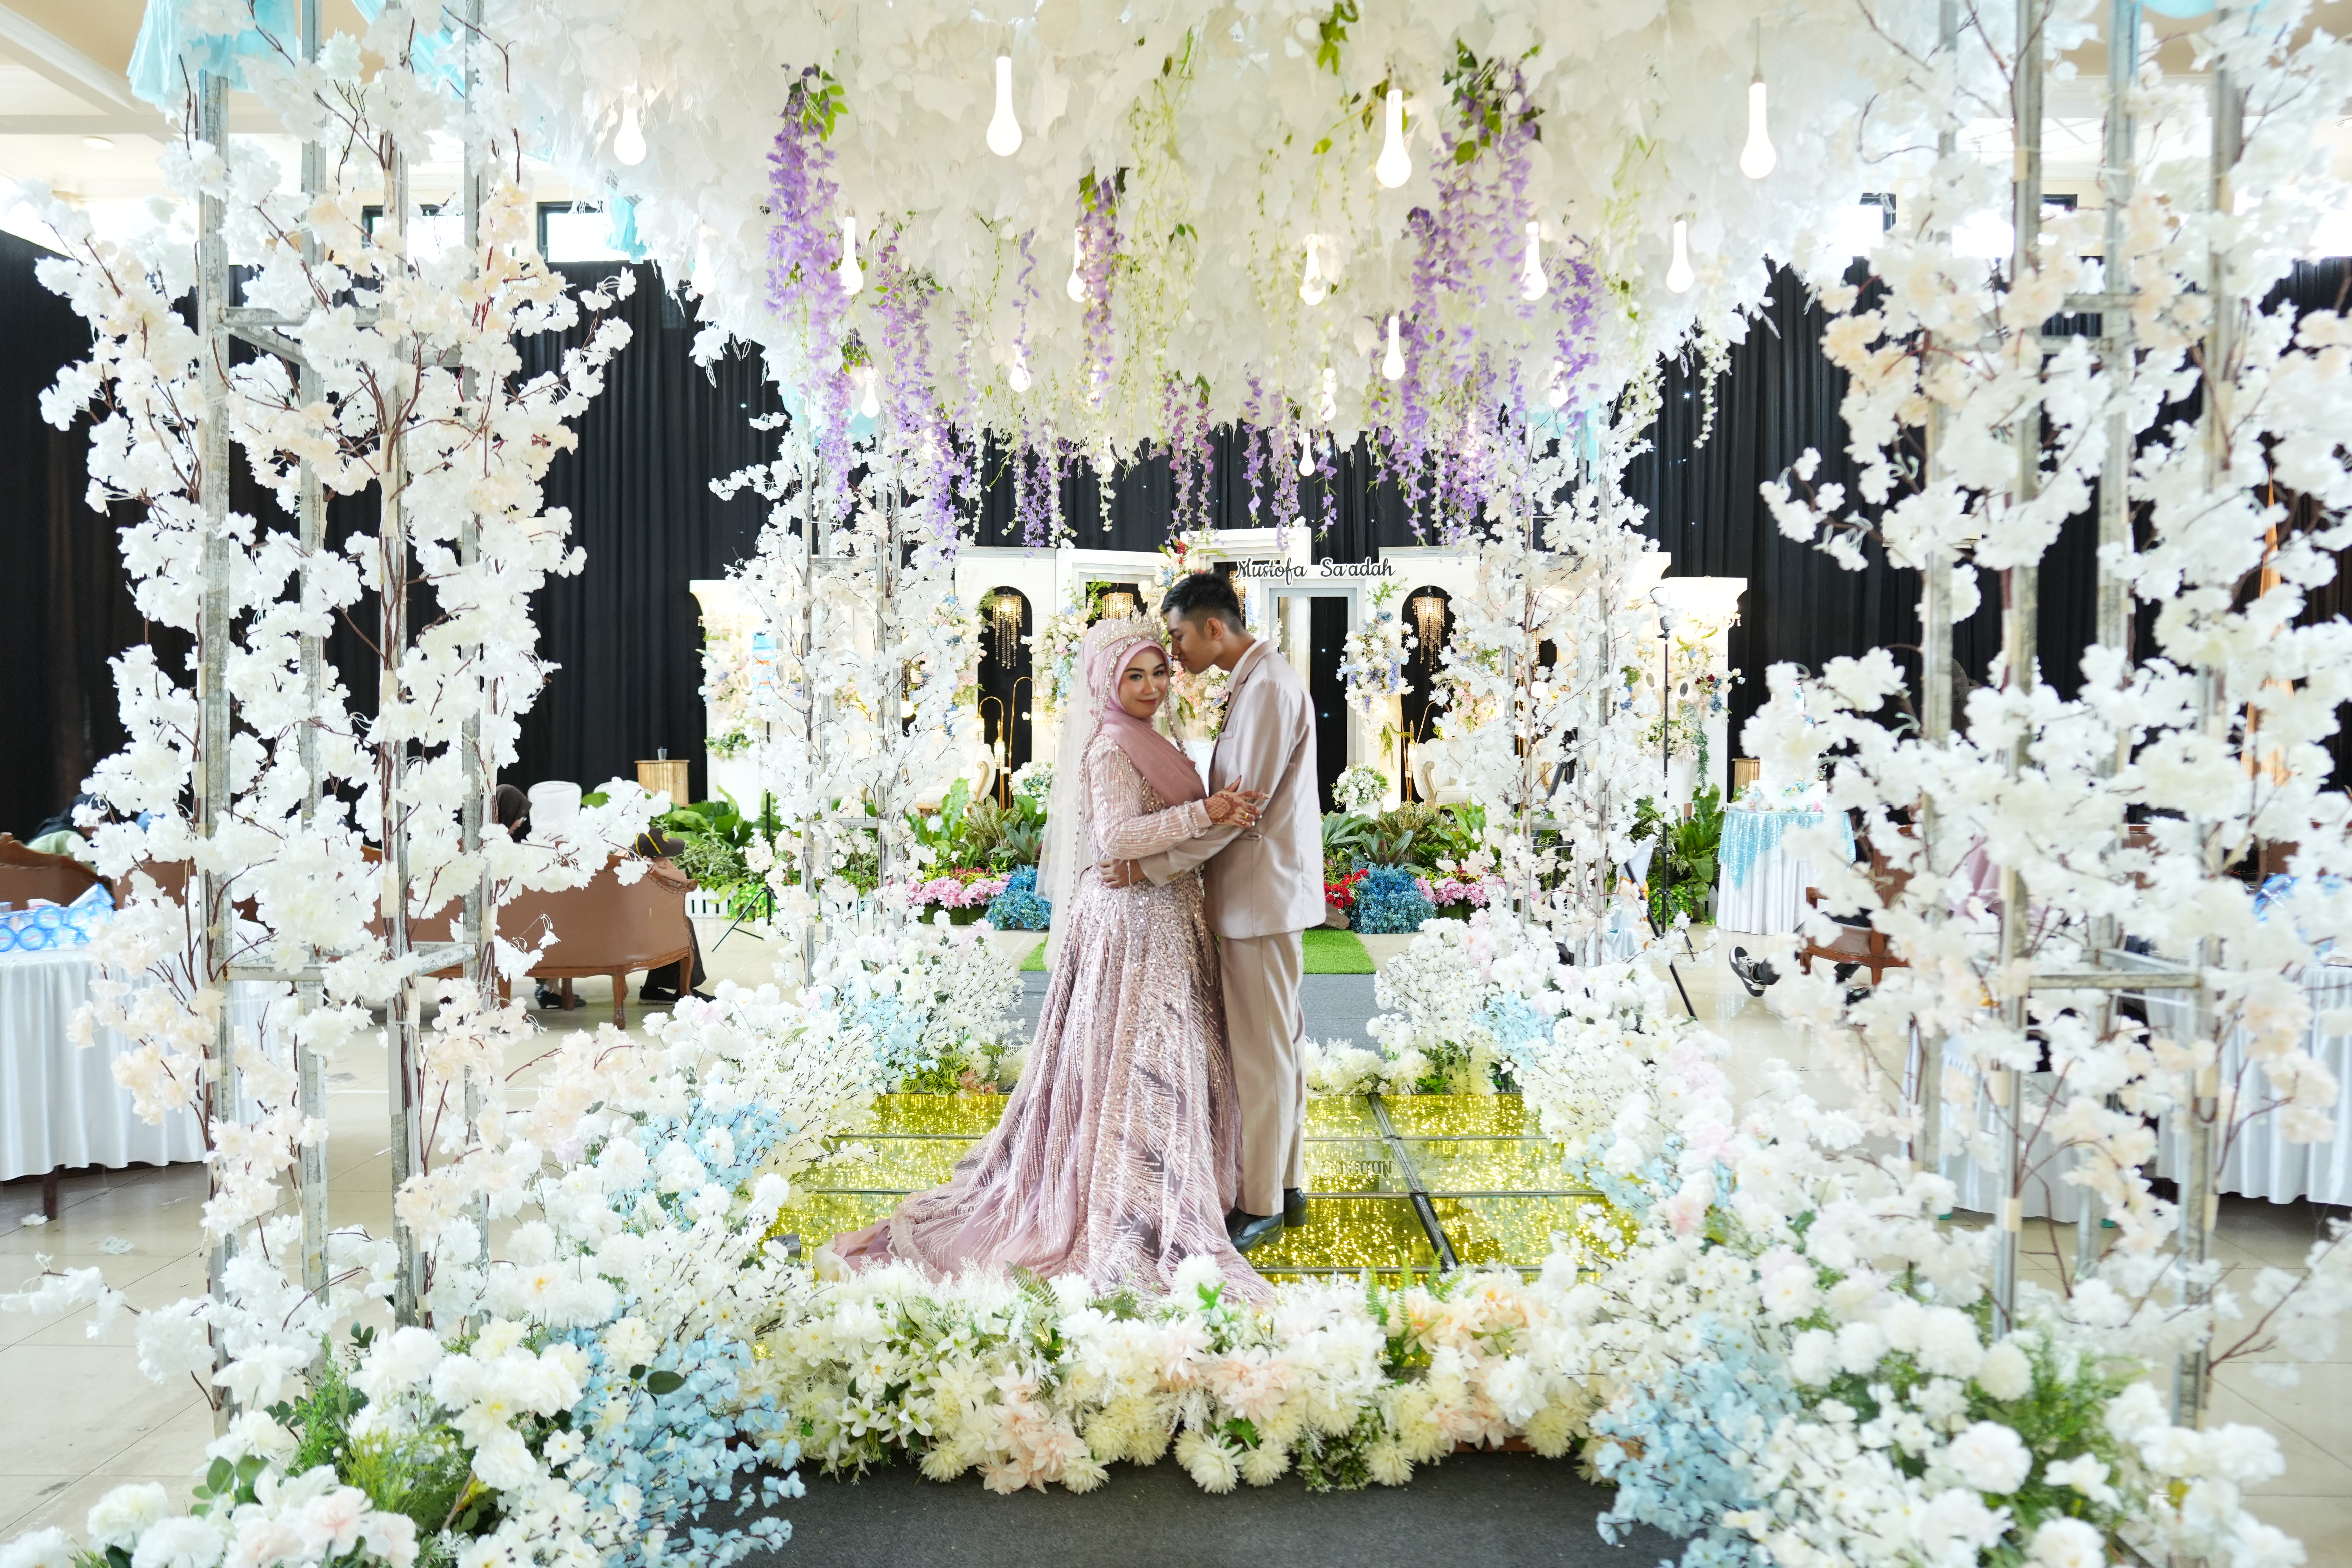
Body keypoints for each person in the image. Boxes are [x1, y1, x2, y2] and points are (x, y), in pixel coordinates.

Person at [828, 617, 1270, 1298]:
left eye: (1159, 672)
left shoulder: (1153, 738)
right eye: (1135, 676)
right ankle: (1126, 1194)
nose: (1152, 687)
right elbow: (1117, 838)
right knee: (1132, 1053)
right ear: (1106, 682)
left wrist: (1209, 819)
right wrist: (1205, 812)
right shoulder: (1109, 747)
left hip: (1159, 914)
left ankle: (1162, 1181)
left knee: (1158, 1050)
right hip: (1130, 924)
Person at [1102, 570, 1320, 1255]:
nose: (1174, 654)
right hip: (1261, 895)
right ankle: (1285, 1184)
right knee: (1276, 1048)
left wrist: (1150, 867)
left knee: (1262, 1055)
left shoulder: (1269, 689)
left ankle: (1262, 1203)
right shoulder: (1258, 683)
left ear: (1215, 628)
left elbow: (1239, 811)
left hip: (1259, 897)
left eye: (1177, 637)